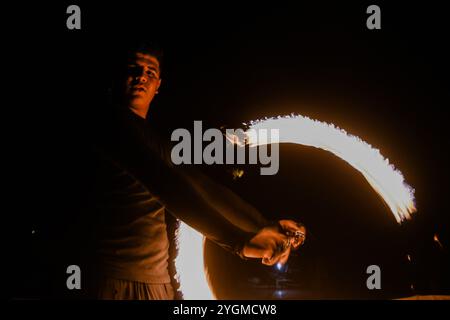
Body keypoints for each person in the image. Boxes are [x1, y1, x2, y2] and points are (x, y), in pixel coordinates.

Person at [83, 42, 306, 300]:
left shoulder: (154, 140)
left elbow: (201, 186)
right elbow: (168, 187)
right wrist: (238, 242)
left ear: (158, 86)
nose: (142, 76)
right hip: (109, 281)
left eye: (150, 72)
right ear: (116, 76)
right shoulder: (108, 124)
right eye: (133, 68)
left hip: (155, 282)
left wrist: (261, 224)